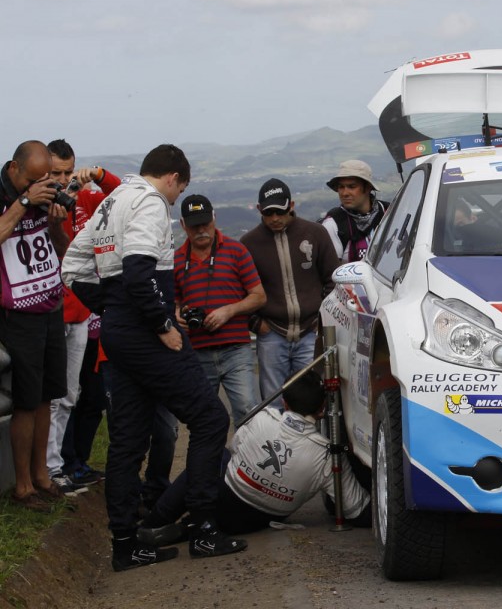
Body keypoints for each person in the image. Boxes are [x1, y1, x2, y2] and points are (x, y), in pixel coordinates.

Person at [62, 144, 246, 571]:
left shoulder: (111, 202)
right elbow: (141, 272)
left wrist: (109, 308)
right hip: (145, 328)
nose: (174, 199)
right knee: (210, 419)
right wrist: (163, 327)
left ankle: (125, 545)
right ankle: (203, 529)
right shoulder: (148, 202)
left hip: (119, 330)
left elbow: (72, 268)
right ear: (174, 179)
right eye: (178, 192)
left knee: (127, 441)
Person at [137, 371, 370, 544]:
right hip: (259, 519)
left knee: (212, 457)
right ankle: (185, 528)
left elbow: (236, 449)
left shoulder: (263, 417)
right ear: (322, 410)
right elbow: (356, 509)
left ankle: (155, 521)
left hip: (227, 495)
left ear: (284, 402)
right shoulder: (327, 455)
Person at [45, 138, 120, 493]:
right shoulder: (37, 205)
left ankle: (61, 465)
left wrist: (97, 176)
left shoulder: (86, 199)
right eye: (54, 173)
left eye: (66, 172)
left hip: (81, 312)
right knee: (52, 396)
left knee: (71, 396)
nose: (61, 181)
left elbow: (120, 196)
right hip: (49, 310)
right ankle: (50, 467)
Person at [0, 140, 70, 512]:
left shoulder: (43, 196)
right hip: (18, 312)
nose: (39, 186)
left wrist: (56, 224)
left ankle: (42, 475)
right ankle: (22, 486)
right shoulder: (10, 196)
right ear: (13, 169)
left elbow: (60, 249)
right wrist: (24, 202)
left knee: (47, 395)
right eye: (32, 180)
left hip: (50, 301)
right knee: (26, 400)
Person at [240, 178, 338, 402]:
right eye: (268, 213)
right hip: (271, 333)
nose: (275, 218)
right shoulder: (249, 243)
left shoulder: (315, 233)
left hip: (310, 331)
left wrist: (321, 318)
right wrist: (256, 324)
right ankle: (275, 438)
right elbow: (240, 290)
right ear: (259, 210)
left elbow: (333, 278)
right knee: (273, 400)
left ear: (291, 206)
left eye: (280, 211)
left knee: (312, 398)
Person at [174, 194, 266, 428]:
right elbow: (171, 303)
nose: (201, 230)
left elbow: (258, 296)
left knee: (247, 409)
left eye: (205, 223)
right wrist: (176, 315)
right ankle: (209, 464)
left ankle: (247, 462)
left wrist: (229, 311)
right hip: (196, 352)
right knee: (202, 417)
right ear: (183, 225)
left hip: (235, 349)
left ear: (214, 218)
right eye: (195, 225)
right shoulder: (175, 260)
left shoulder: (236, 251)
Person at [320, 160, 389, 263]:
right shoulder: (333, 224)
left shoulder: (389, 212)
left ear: (368, 188)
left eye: (352, 187)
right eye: (341, 187)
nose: (344, 193)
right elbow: (331, 272)